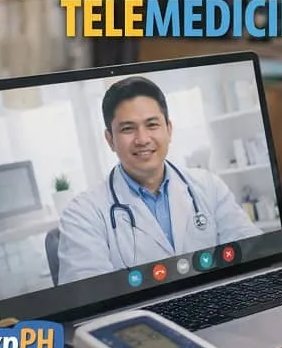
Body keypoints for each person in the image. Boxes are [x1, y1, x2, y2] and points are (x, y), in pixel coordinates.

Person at [57, 76, 262, 284]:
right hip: (137, 315)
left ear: (169, 130)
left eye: (152, 125)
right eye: (128, 129)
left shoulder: (209, 186)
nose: (143, 139)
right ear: (110, 140)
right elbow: (89, 297)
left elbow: (253, 251)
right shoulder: (82, 214)